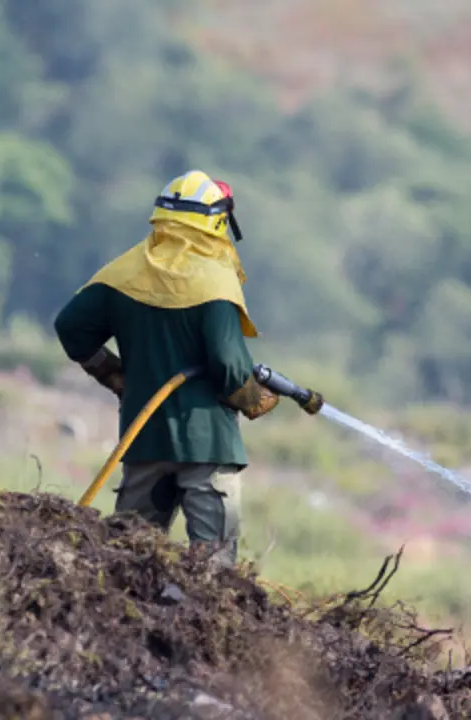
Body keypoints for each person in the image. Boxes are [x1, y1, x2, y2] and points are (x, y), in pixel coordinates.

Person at [52, 169, 279, 567]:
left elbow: (70, 328)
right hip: (208, 446)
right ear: (216, 223)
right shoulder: (215, 280)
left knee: (125, 561)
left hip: (145, 439)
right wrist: (252, 398)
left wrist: (113, 374)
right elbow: (228, 364)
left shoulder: (124, 272)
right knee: (213, 570)